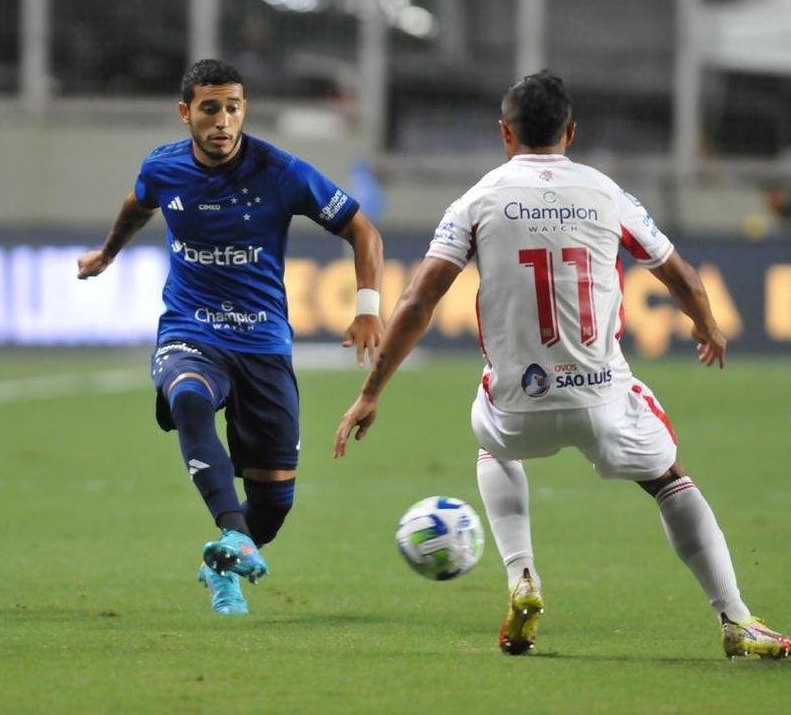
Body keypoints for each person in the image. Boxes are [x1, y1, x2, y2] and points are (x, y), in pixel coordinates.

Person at [333, 71, 791, 658]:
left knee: (490, 441)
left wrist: (372, 392)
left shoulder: (477, 200)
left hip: (517, 408)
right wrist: (705, 324)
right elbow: (681, 275)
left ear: (505, 133)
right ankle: (736, 619)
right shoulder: (607, 193)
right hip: (603, 400)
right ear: (570, 132)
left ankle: (522, 577)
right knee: (669, 478)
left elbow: (419, 300)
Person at [78, 59, 384, 615]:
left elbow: (361, 228)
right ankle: (233, 531)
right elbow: (137, 204)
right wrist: (107, 254)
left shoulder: (279, 171)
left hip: (263, 343)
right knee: (189, 397)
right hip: (190, 328)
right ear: (185, 112)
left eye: (234, 107)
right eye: (210, 108)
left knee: (274, 506)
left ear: (245, 109)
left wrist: (367, 306)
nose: (223, 121)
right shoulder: (163, 168)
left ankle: (226, 555)